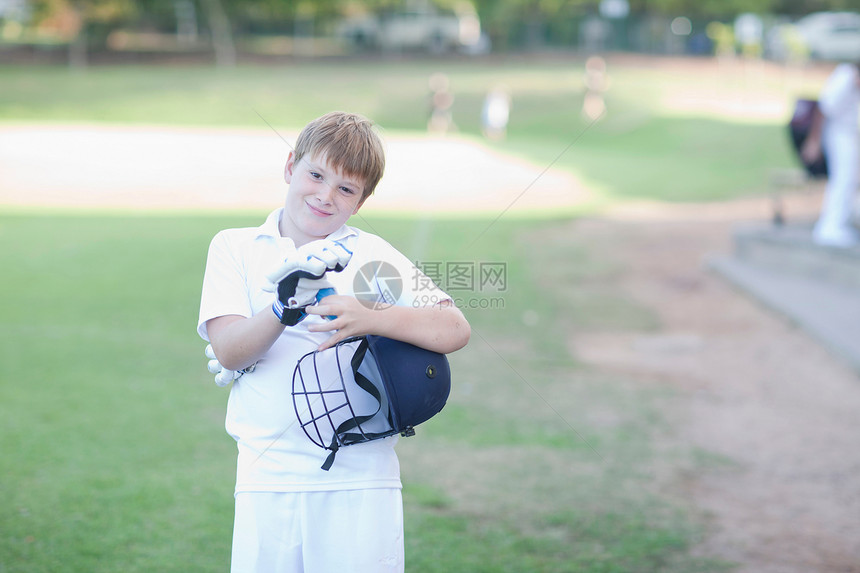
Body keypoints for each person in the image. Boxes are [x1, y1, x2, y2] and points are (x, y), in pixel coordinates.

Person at [197, 111, 471, 572]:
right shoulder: (235, 246)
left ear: (360, 201)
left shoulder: (372, 254)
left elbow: (454, 327)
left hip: (362, 479)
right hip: (269, 476)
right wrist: (283, 309)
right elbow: (229, 349)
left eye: (346, 188)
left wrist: (371, 316)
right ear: (290, 166)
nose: (325, 196)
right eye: (315, 175)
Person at [801, 61, 860, 247]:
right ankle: (831, 227)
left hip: (848, 133)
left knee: (849, 178)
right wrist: (813, 141)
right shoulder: (845, 77)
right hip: (837, 133)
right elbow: (822, 108)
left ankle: (840, 222)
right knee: (843, 178)